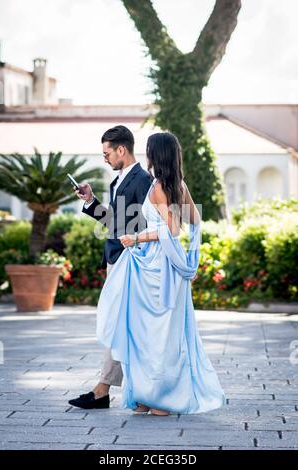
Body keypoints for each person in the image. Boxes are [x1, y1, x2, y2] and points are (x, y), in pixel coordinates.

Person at [96, 132, 226, 415]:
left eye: (149, 151)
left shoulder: (157, 187)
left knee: (151, 335)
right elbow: (195, 222)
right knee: (161, 335)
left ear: (156, 155)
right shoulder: (180, 186)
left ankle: (159, 399)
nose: (146, 156)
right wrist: (189, 259)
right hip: (167, 264)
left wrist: (137, 239)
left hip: (154, 267)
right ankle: (147, 396)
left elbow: (173, 230)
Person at [68, 125, 152, 410]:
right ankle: (110, 390)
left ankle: (104, 390)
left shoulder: (142, 180)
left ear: (121, 150)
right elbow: (115, 222)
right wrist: (90, 201)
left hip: (130, 261)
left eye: (107, 153)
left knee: (120, 325)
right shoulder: (120, 180)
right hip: (116, 260)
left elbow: (149, 223)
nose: (104, 158)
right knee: (121, 325)